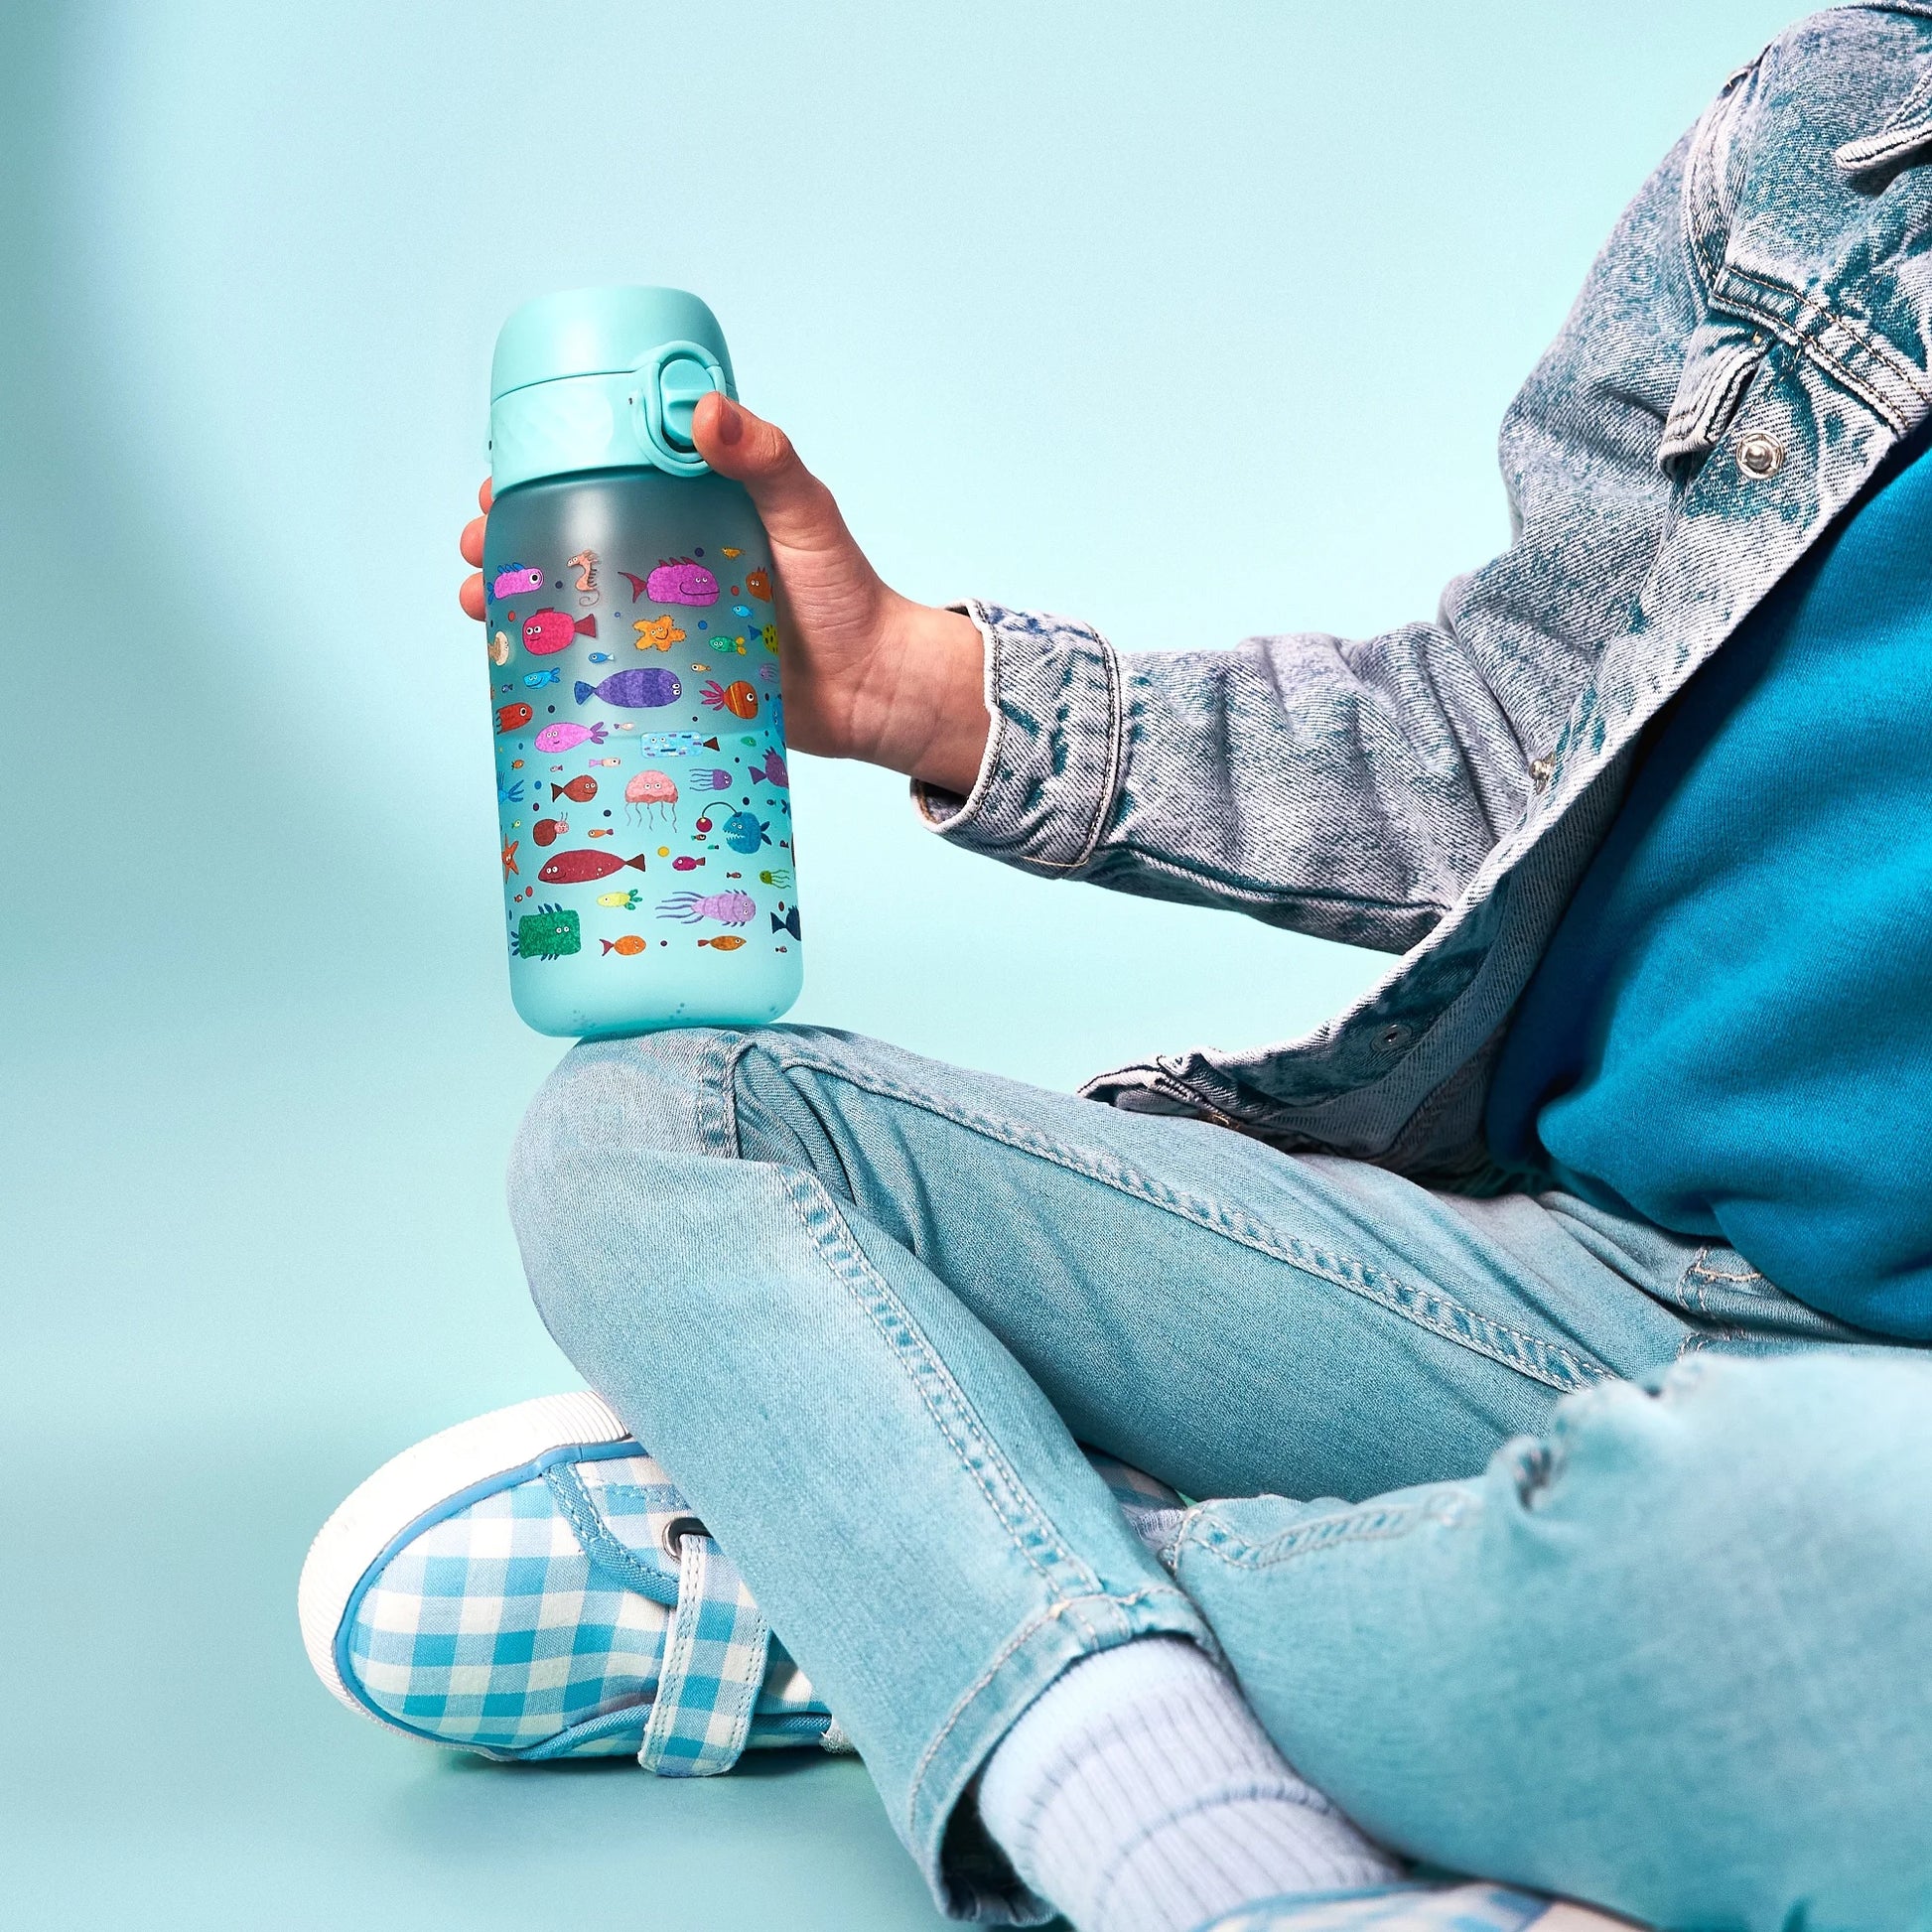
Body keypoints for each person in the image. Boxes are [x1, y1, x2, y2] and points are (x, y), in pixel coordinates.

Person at [298, 9, 1932, 1928]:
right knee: (666, 1116)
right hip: (1565, 1287)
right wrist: (915, 683)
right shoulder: (1837, 138)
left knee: (1813, 1568)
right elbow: (1511, 739)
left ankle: (918, 1564)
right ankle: (1147, 1717)